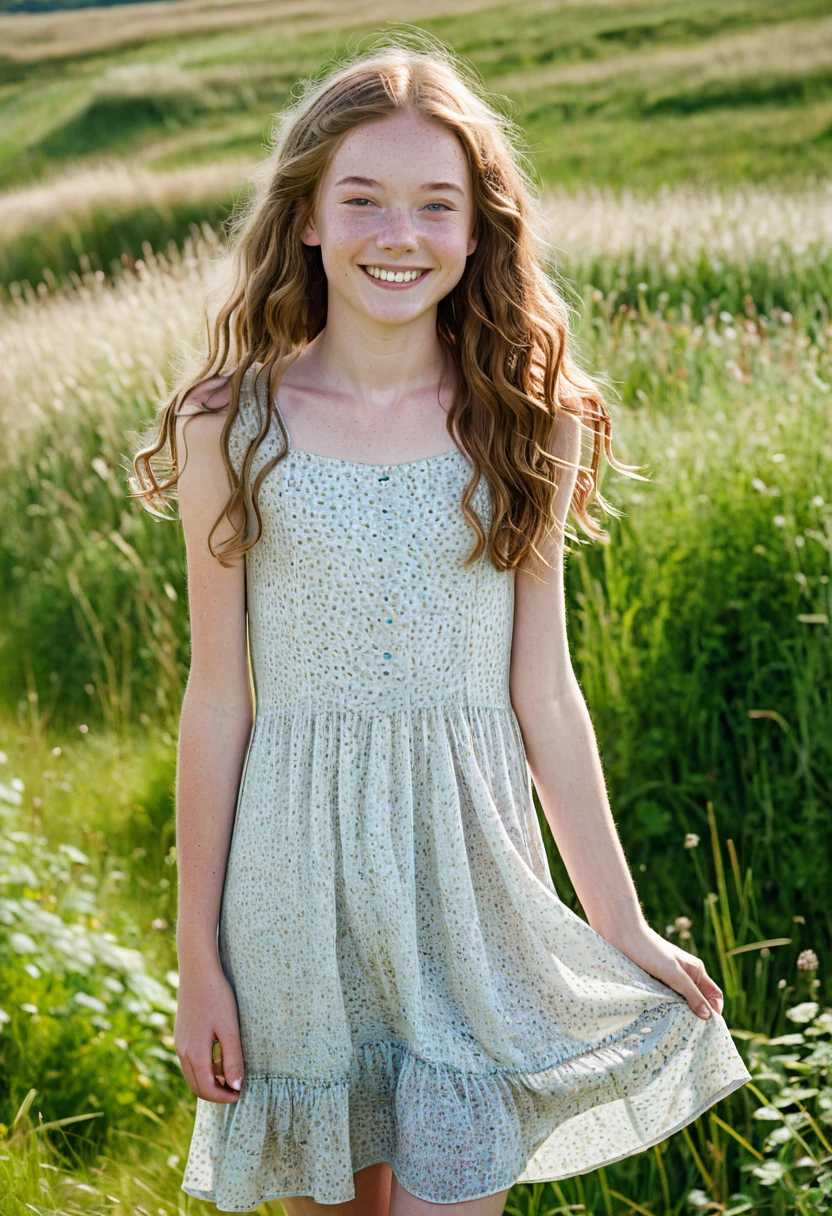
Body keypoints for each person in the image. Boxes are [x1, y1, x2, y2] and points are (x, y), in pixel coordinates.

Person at [129, 29, 751, 1216]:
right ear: (307, 215)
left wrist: (614, 919)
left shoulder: (527, 420)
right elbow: (218, 698)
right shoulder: (231, 424)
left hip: (470, 872)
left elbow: (545, 691)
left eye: (433, 205)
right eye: (361, 199)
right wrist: (193, 958)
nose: (396, 235)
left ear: (477, 229)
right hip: (292, 883)